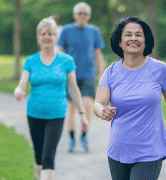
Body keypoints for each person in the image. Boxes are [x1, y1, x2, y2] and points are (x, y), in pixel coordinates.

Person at [94, 17, 166, 180]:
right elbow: (98, 103)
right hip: (118, 151)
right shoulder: (111, 72)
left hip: (150, 151)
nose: (133, 38)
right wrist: (102, 111)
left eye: (139, 35)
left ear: (146, 42)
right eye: (128, 34)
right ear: (120, 42)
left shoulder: (160, 69)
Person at [14, 17, 88, 180]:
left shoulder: (66, 60)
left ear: (56, 37)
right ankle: (38, 174)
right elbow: (22, 84)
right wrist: (18, 91)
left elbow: (74, 88)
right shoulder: (31, 60)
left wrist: (82, 114)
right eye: (43, 34)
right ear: (38, 37)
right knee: (39, 157)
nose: (47, 37)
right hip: (34, 112)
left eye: (50, 34)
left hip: (56, 113)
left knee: (48, 156)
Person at [57, 2, 105, 153]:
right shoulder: (66, 30)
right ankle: (72, 138)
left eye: (85, 13)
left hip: (88, 74)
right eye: (80, 13)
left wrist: (101, 73)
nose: (82, 16)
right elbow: (59, 52)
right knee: (71, 107)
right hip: (70, 75)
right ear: (74, 15)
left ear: (89, 16)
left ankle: (84, 134)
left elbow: (98, 54)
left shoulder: (94, 31)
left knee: (87, 105)